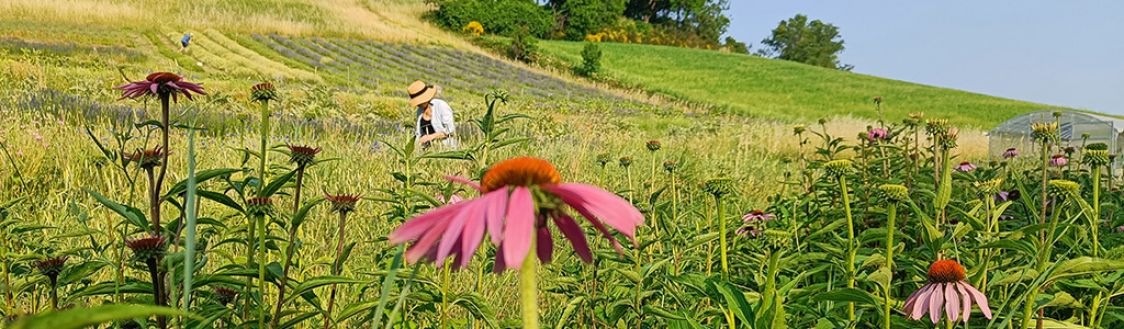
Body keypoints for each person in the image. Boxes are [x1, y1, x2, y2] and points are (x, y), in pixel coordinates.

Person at [407, 80, 457, 149]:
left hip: (446, 147)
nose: (418, 104)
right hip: (428, 149)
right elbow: (419, 133)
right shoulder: (419, 111)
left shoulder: (441, 106)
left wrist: (431, 137)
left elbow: (450, 131)